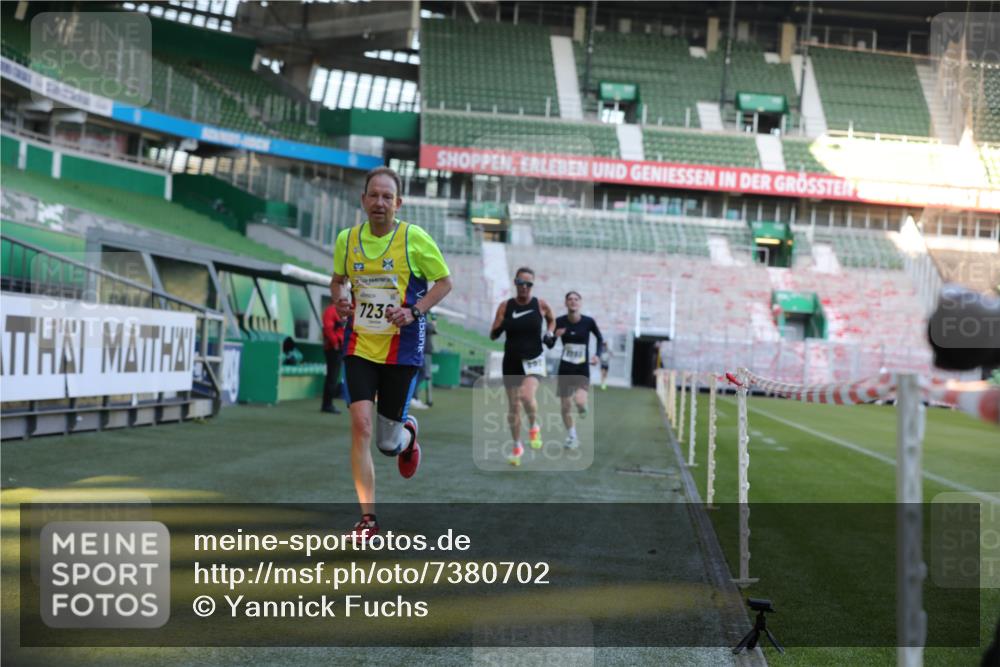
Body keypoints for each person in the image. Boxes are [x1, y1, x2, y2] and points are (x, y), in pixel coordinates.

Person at [330, 166, 452, 537]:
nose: (380, 202)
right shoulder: (347, 240)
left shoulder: (414, 239)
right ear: (363, 199)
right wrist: (340, 301)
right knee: (360, 425)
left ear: (398, 203)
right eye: (374, 195)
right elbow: (338, 282)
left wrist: (413, 310)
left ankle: (408, 435)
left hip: (401, 348)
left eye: (387, 197)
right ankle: (368, 519)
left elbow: (444, 283)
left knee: (387, 443)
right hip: (360, 344)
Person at [489, 267, 556, 466]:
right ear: (515, 283)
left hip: (534, 359)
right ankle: (517, 445)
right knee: (514, 406)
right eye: (521, 283)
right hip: (512, 361)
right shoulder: (505, 306)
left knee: (526, 396)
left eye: (529, 284)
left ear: (532, 286)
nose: (524, 287)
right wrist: (502, 325)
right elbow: (493, 334)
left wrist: (550, 334)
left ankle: (534, 426)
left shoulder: (541, 305)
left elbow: (552, 320)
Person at [554, 291, 604, 448]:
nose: (573, 302)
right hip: (565, 368)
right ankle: (572, 436)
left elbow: (600, 338)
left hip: (582, 369)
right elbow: (548, 341)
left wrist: (597, 355)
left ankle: (583, 408)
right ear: (566, 303)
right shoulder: (559, 321)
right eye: (570, 299)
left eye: (576, 299)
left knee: (580, 402)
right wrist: (555, 335)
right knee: (565, 406)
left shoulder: (588, 322)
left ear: (580, 303)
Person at [321, 302, 344, 414]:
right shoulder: (331, 310)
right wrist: (335, 343)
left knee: (333, 377)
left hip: (338, 347)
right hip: (333, 348)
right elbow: (328, 328)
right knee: (332, 377)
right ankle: (327, 405)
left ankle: (327, 404)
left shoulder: (339, 310)